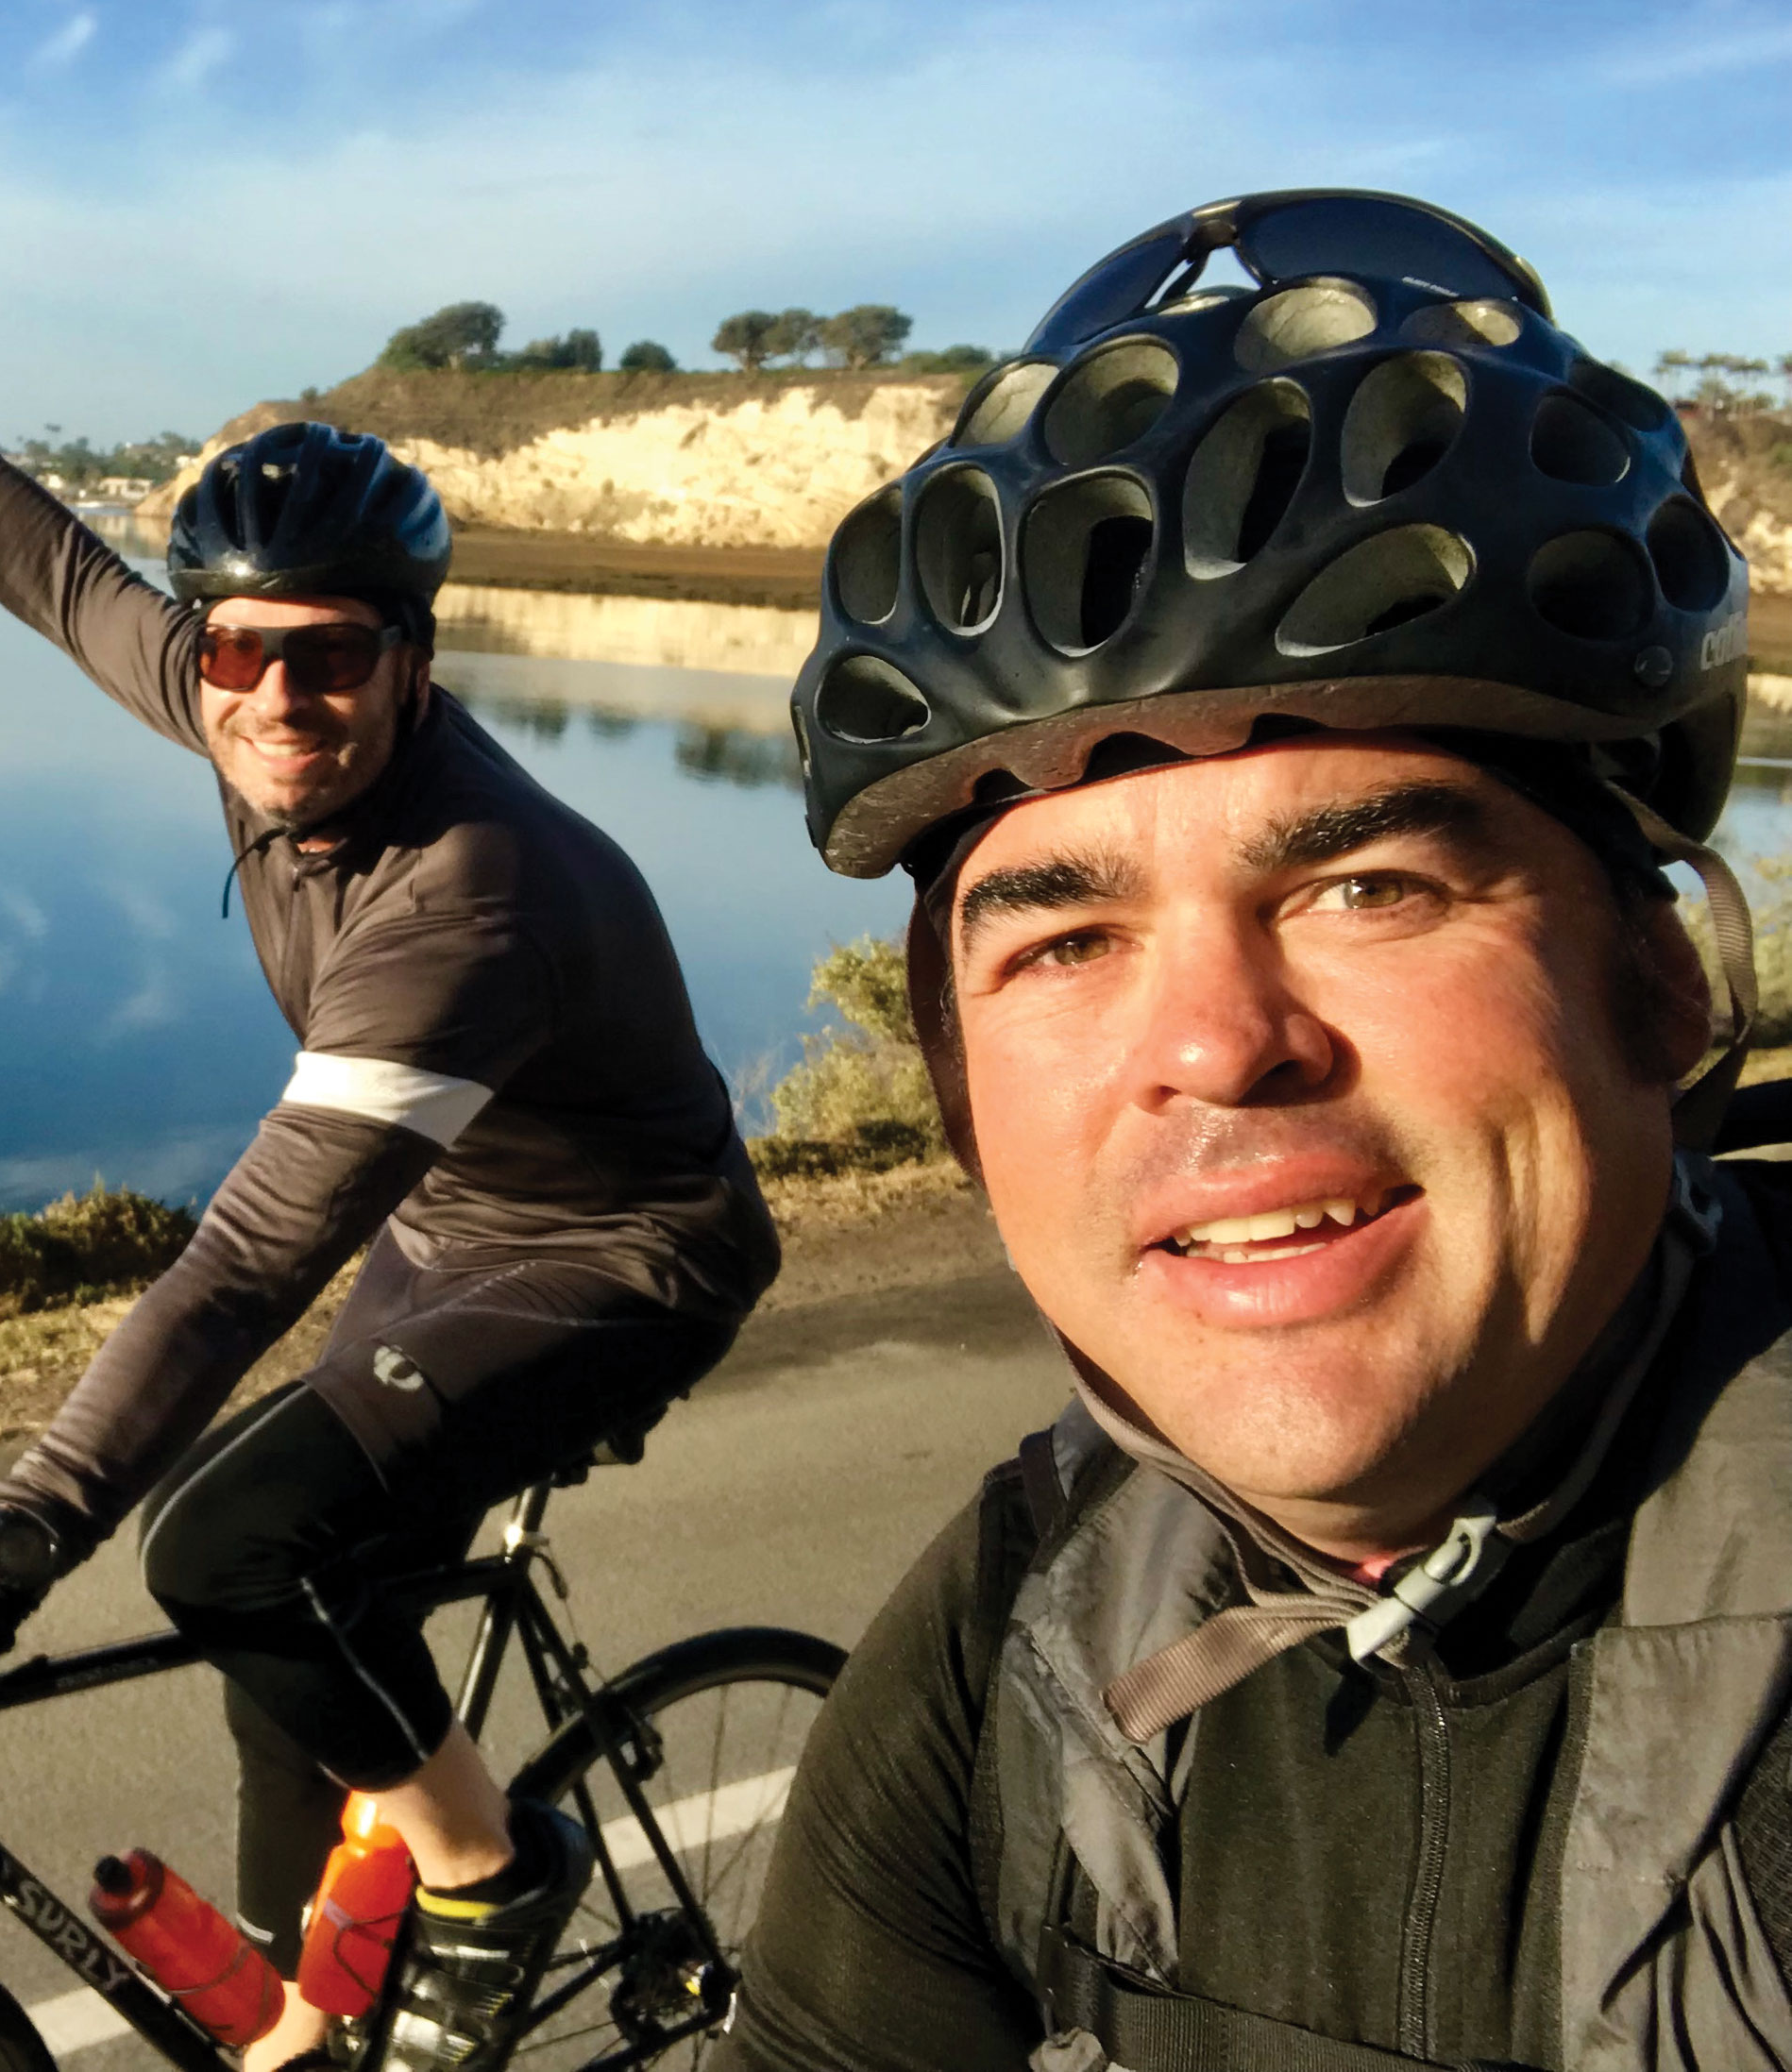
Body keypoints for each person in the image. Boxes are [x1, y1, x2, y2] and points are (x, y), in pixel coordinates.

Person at [0, 147, 780, 2072]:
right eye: (238, 652)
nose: (275, 699)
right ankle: (310, 2041)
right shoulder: (235, 702)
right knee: (285, 1659)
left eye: (333, 657)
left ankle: (497, 1872)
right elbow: (52, 571)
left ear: (415, 662)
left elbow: (249, 1262)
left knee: (225, 1548)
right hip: (451, 1234)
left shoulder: (471, 897)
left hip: (624, 1254)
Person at [715, 191, 1779, 2071]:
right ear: (963, 1102)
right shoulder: (1024, 1632)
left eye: (1368, 886)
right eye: (1065, 936)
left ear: (1668, 980)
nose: (1213, 1046)